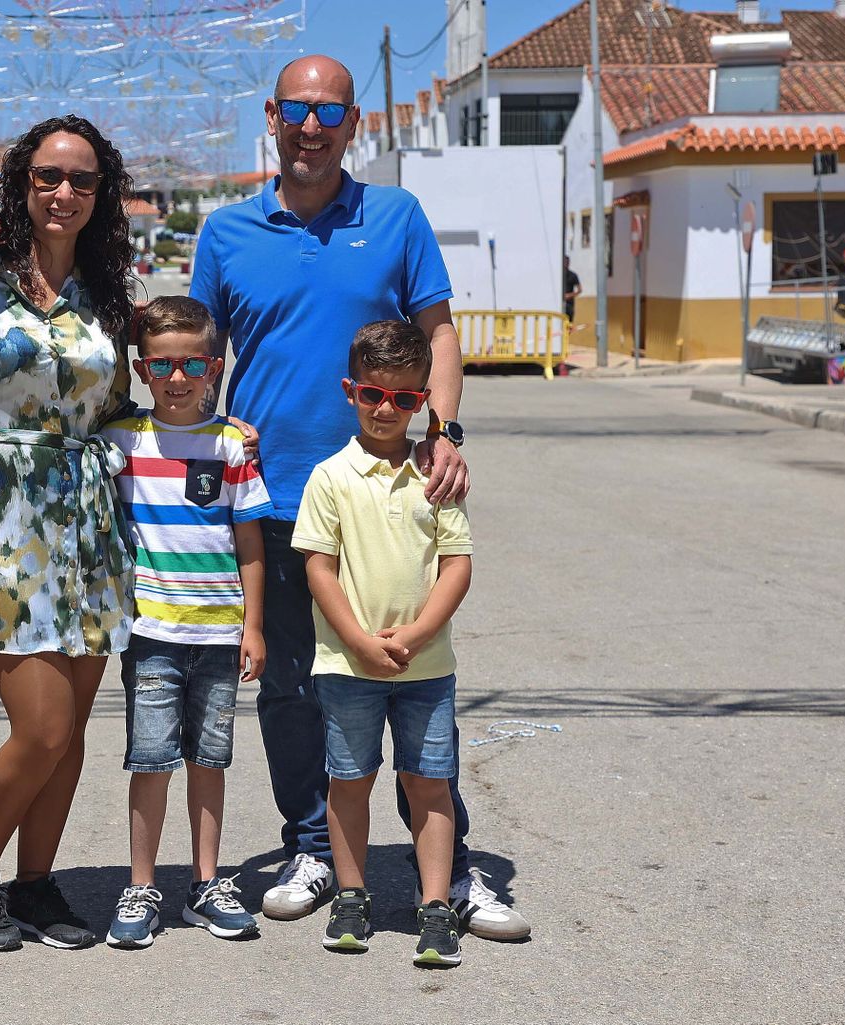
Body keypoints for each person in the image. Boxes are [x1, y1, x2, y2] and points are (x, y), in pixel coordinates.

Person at [190, 54, 531, 942]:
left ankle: (453, 874)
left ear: (353, 122)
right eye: (297, 110)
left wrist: (445, 434)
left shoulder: (396, 216)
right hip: (270, 503)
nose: (313, 126)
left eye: (330, 111)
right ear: (272, 115)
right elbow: (197, 358)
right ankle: (310, 846)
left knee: (413, 679)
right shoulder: (226, 232)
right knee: (294, 689)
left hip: (391, 499)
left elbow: (439, 333)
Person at [0, 115, 139, 952]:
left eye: (84, 180)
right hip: (4, 518)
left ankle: (36, 882)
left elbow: (126, 405)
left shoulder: (109, 295)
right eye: (49, 176)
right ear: (22, 183)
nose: (65, 192)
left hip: (91, 520)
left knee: (76, 730)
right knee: (43, 726)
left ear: (102, 194)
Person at [293, 320, 474, 967]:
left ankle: (434, 904)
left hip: (427, 668)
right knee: (349, 782)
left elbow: (457, 563)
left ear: (422, 400)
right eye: (374, 394)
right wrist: (357, 640)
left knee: (429, 784)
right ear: (351, 390)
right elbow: (318, 567)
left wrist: (422, 630)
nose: (386, 409)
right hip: (348, 665)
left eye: (403, 398)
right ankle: (351, 895)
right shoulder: (331, 477)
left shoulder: (437, 476)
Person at [99, 296, 272, 949]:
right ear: (143, 369)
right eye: (163, 364)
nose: (178, 378)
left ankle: (205, 883)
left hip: (219, 635)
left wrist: (253, 625)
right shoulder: (122, 440)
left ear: (213, 365)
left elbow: (248, 539)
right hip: (150, 637)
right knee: (151, 760)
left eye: (192, 363)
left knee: (210, 758)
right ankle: (141, 884)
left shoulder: (231, 443)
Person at [563, 255, 582, 323]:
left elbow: (579, 290)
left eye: (567, 262)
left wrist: (569, 295)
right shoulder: (559, 275)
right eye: (564, 262)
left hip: (569, 305)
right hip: (559, 304)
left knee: (569, 325)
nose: (566, 264)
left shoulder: (573, 275)